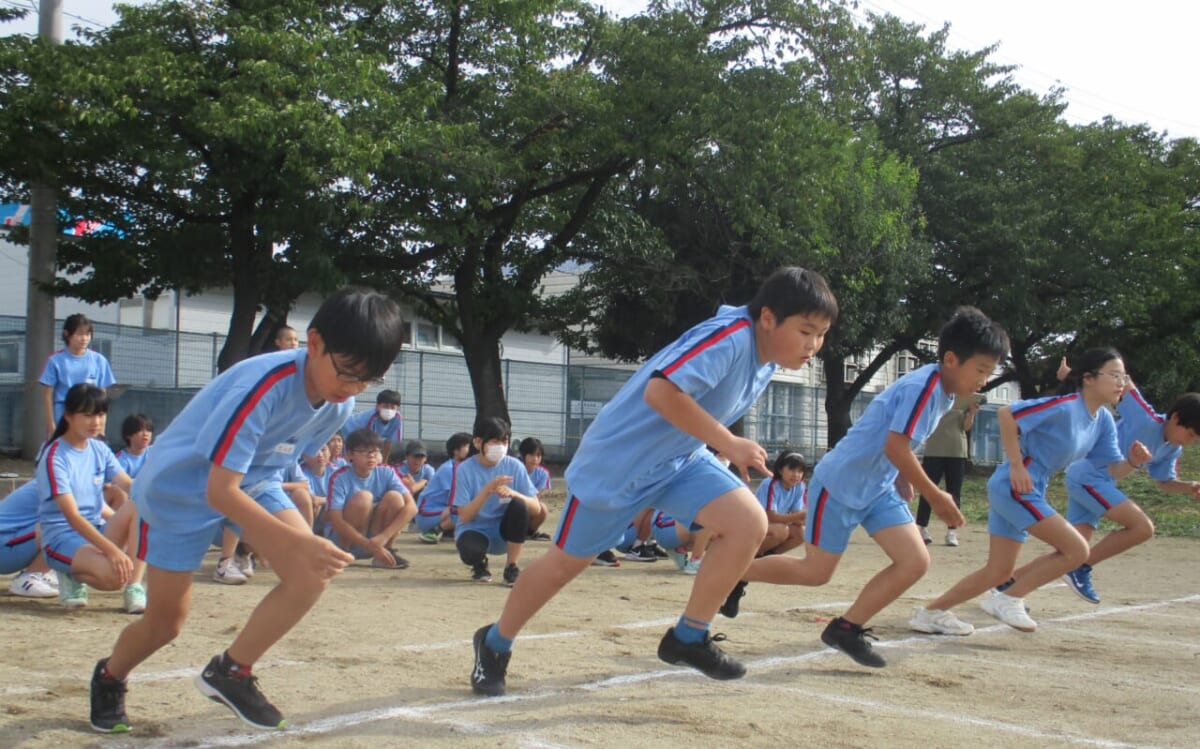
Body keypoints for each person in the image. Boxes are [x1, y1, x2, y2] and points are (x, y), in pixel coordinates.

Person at [469, 266, 838, 696]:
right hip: (617, 468)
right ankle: (493, 644)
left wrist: (718, 445)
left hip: (677, 461)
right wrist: (730, 443)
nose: (814, 345)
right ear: (769, 318)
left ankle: (688, 636)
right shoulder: (731, 338)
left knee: (749, 523)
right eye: (807, 331)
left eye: (822, 334)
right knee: (561, 568)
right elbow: (660, 393)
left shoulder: (765, 357)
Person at [88, 287, 404, 734]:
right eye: (347, 373)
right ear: (313, 344)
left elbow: (271, 463)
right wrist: (296, 539)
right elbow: (219, 489)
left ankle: (231, 671)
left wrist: (298, 541)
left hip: (251, 481)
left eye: (365, 381)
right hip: (179, 491)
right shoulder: (264, 386)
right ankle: (109, 675)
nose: (352, 389)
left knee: (310, 571)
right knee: (165, 623)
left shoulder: (340, 404)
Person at [722, 307, 1008, 669]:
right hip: (840, 484)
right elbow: (896, 445)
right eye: (981, 370)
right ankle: (735, 571)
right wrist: (935, 495)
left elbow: (895, 439)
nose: (984, 380)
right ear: (951, 359)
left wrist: (901, 479)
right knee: (816, 573)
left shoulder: (944, 392)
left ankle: (846, 628)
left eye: (989, 372)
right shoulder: (926, 388)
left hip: (877, 488)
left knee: (914, 561)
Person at [911, 347, 1147, 637]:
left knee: (998, 571)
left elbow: (1108, 471)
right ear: (1088, 378)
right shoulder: (1065, 406)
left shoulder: (1104, 421)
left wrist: (1133, 463)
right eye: (1114, 375)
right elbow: (1008, 414)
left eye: (1124, 377)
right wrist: (1016, 466)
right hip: (1015, 486)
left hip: (1028, 487)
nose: (1121, 382)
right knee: (1076, 550)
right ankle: (1008, 599)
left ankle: (931, 613)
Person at [1019, 360, 1200, 604]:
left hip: (1099, 482)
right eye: (1189, 434)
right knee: (1142, 528)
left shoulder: (1171, 448)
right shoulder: (1146, 420)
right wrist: (1073, 375)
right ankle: (1081, 568)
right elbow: (1123, 382)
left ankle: (1006, 587)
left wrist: (1189, 486)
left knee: (1069, 552)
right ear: (1176, 418)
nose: (1189, 442)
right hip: (1088, 476)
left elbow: (1164, 481)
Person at [37, 384, 146, 612]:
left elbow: (128, 485)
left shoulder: (99, 449)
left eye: (100, 414)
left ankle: (135, 587)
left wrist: (160, 493)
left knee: (140, 504)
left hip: (96, 530)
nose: (96, 422)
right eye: (87, 415)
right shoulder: (54, 455)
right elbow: (73, 517)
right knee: (114, 576)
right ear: (68, 416)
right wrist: (114, 551)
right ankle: (70, 574)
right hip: (62, 538)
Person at [451, 417, 539, 586]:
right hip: (475, 530)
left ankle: (511, 566)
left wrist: (514, 494)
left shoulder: (515, 466)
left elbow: (536, 508)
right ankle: (479, 564)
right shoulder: (464, 469)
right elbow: (464, 517)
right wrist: (487, 490)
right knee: (471, 550)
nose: (500, 446)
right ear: (478, 442)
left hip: (503, 531)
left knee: (520, 505)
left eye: (504, 441)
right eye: (494, 441)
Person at [326, 429, 415, 569]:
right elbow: (335, 519)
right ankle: (344, 551)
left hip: (375, 541)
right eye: (364, 452)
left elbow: (412, 507)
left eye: (375, 451)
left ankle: (386, 551)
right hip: (350, 538)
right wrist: (366, 543)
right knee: (364, 497)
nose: (371, 456)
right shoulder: (339, 478)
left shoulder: (386, 471)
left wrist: (384, 537)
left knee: (395, 497)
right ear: (349, 455)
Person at [915, 396, 980, 547]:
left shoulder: (963, 401)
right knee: (928, 490)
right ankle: (922, 528)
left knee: (954, 492)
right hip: (934, 450)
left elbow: (966, 427)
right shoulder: (935, 399)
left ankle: (952, 531)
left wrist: (972, 413)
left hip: (956, 451)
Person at [39, 314, 116, 437]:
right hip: (64, 416)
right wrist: (52, 425)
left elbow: (102, 395)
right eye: (79, 334)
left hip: (90, 416)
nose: (84, 338)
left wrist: (102, 427)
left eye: (87, 334)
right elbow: (47, 395)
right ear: (66, 334)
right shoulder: (55, 361)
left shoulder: (99, 360)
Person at [2, 480, 59, 598]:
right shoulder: (66, 480)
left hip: (9, 543)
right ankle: (31, 576)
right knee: (72, 524)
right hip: (4, 548)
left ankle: (47, 570)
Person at [416, 432, 472, 544]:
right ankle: (434, 531)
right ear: (456, 451)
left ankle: (449, 532)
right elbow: (457, 499)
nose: (472, 449)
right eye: (467, 446)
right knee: (466, 511)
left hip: (439, 511)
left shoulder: (461, 468)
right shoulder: (449, 469)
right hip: (426, 514)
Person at [754, 451, 808, 556]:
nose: (796, 475)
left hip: (774, 525)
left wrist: (801, 518)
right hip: (756, 525)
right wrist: (801, 515)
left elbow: (797, 516)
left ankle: (768, 557)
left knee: (800, 533)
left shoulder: (800, 486)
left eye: (800, 471)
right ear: (780, 470)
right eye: (792, 469)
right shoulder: (770, 484)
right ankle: (748, 556)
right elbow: (771, 516)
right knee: (781, 531)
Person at [341, 390, 403, 461]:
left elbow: (389, 442)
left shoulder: (397, 419)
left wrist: (384, 462)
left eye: (392, 407)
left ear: (398, 408)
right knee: (347, 460)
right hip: (345, 428)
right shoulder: (371, 418)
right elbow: (366, 441)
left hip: (363, 437)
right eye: (385, 406)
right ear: (377, 406)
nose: (388, 410)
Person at [114, 414, 154, 479]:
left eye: (148, 430)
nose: (146, 434)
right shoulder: (120, 460)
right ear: (128, 435)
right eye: (140, 430)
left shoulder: (155, 452)